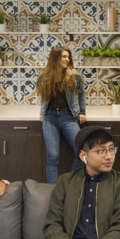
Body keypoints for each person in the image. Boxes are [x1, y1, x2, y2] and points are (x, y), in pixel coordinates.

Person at [37, 46, 88, 183]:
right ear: (55, 59)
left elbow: (82, 95)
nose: (67, 59)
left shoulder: (74, 76)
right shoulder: (44, 76)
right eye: (63, 56)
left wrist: (82, 112)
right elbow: (43, 97)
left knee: (82, 152)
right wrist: (42, 112)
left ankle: (70, 183)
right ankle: (54, 190)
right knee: (53, 156)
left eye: (68, 56)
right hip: (50, 118)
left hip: (69, 117)